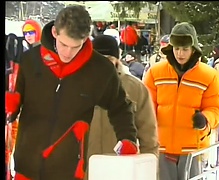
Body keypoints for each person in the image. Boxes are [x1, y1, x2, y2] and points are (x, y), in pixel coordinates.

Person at [5, 5, 138, 180]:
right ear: (54, 32)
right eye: (64, 44)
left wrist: (127, 138)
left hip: (69, 171)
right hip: (26, 167)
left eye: (76, 46)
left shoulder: (99, 70)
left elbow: (120, 107)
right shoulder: (31, 60)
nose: (68, 53)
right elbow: (14, 102)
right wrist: (11, 105)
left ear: (85, 39)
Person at [143, 22, 219, 180]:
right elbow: (146, 108)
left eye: (185, 49)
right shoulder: (155, 72)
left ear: (193, 49)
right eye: (176, 48)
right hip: (161, 147)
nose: (180, 53)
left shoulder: (209, 76)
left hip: (192, 149)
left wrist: (205, 118)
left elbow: (216, 108)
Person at [83, 34, 159, 180]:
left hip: (122, 172)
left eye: (109, 60)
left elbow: (149, 138)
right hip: (85, 172)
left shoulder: (135, 89)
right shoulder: (77, 87)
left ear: (117, 60)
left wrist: (149, 172)